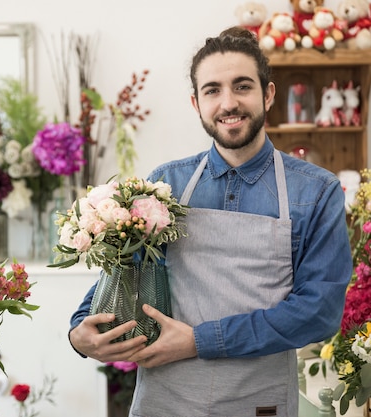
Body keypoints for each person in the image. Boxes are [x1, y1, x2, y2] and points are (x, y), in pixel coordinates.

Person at [69, 26, 353, 417]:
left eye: (242, 87)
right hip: (164, 401)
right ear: (196, 103)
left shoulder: (317, 192)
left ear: (268, 94)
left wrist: (199, 341)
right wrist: (79, 329)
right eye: (212, 90)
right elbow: (123, 272)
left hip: (259, 401)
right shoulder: (166, 184)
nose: (228, 103)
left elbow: (319, 313)